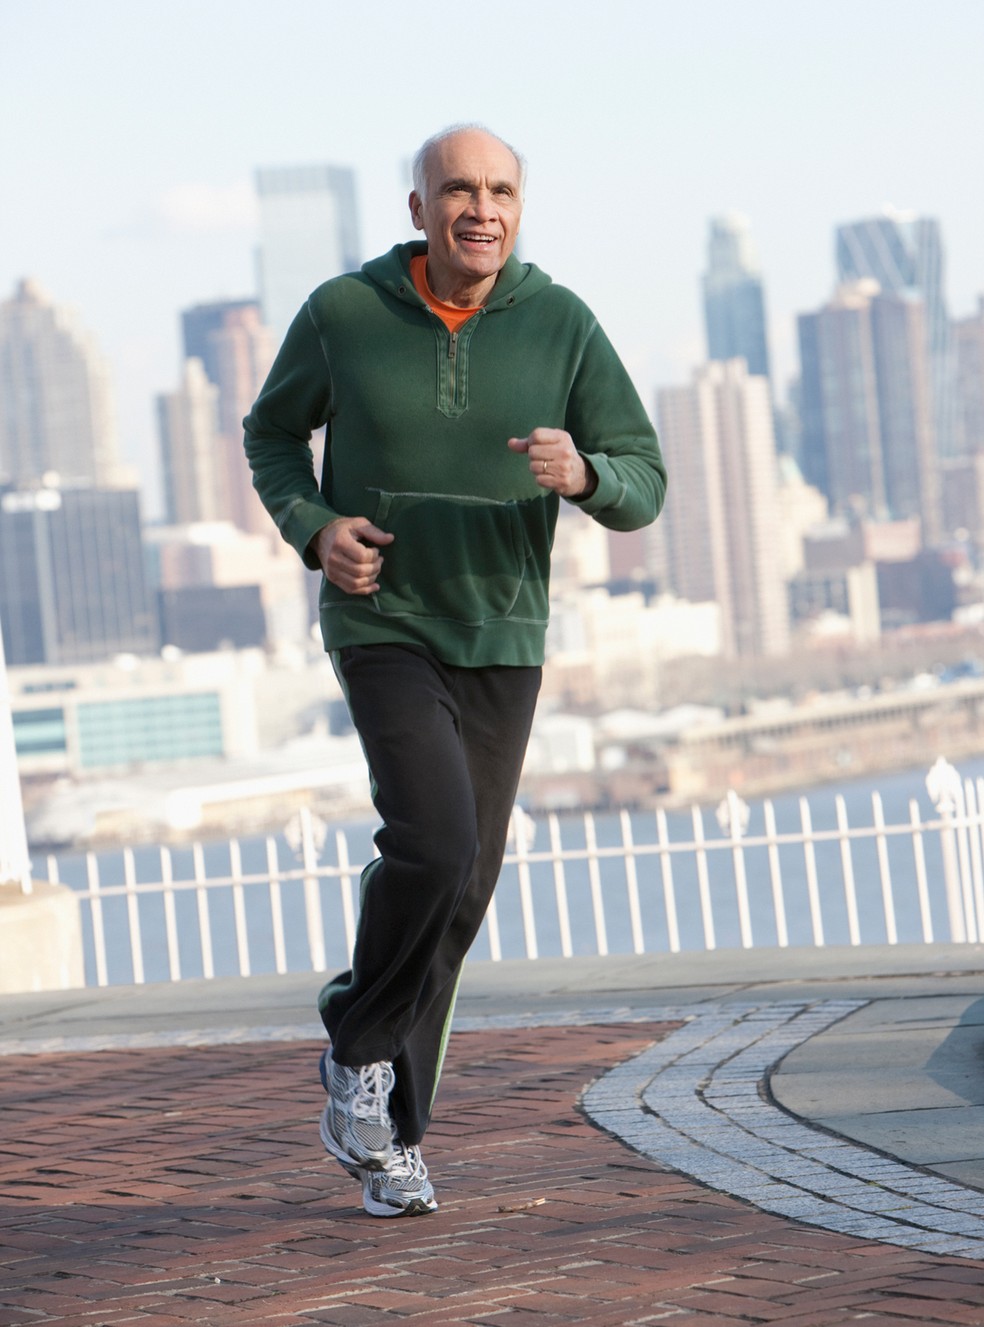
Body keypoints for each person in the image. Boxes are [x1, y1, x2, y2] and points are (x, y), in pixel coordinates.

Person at [244, 124, 666, 1219]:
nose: (482, 208)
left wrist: (586, 472)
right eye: (460, 190)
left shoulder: (562, 321)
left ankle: (387, 1130)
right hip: (383, 616)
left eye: (502, 190)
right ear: (420, 204)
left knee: (465, 885)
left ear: (520, 205)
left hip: (503, 628)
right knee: (431, 841)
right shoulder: (344, 313)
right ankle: (364, 1054)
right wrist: (312, 526)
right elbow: (272, 435)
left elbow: (644, 478)